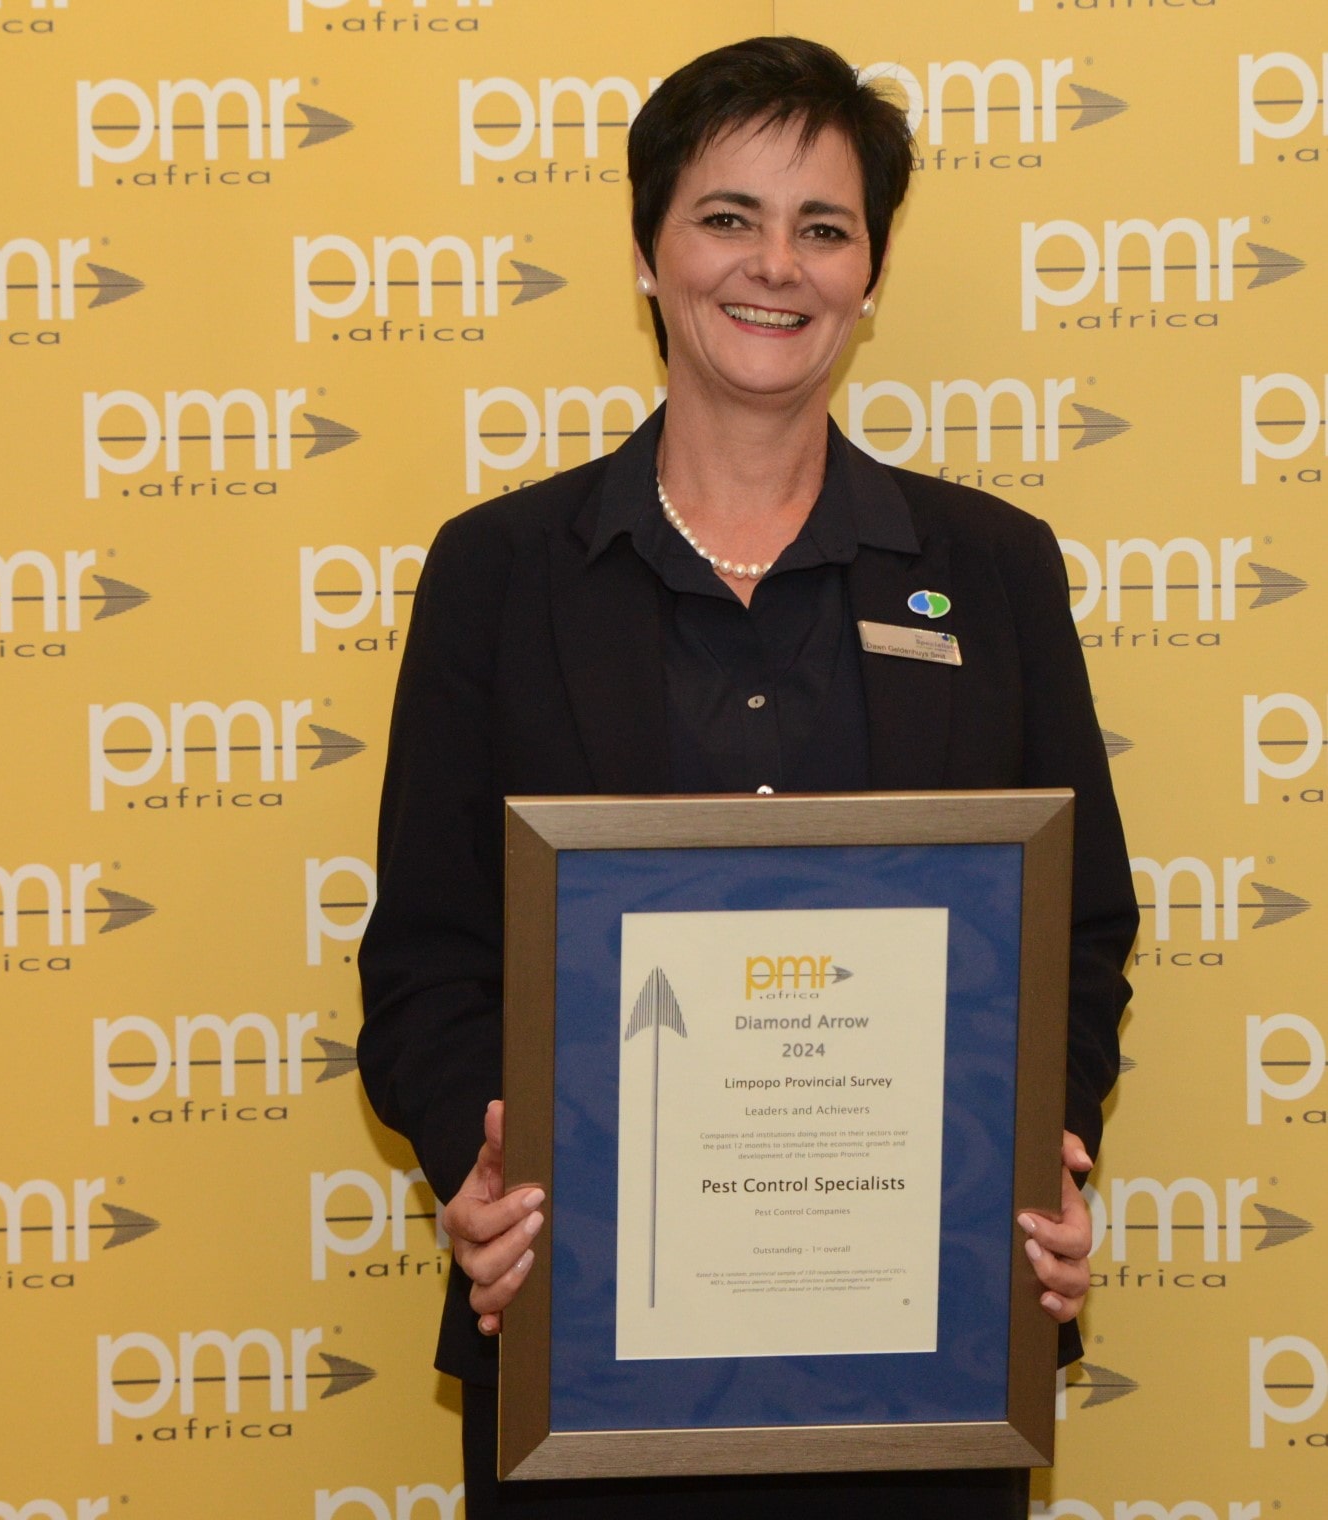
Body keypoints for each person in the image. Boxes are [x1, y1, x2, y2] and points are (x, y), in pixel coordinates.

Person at [355, 35, 1137, 1520]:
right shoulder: (499, 574)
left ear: (869, 272)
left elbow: (1077, 928)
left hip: (926, 1335)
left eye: (822, 227)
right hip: (582, 1339)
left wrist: (1040, 1141)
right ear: (647, 253)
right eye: (728, 217)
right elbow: (428, 962)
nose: (775, 265)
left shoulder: (990, 570)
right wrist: (479, 1170)